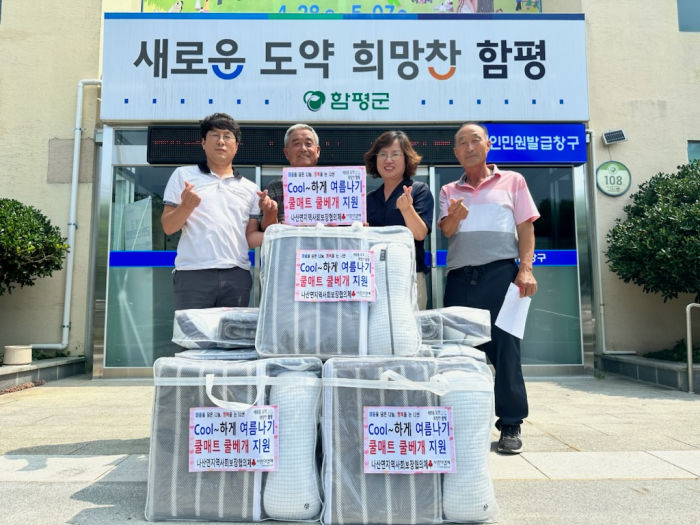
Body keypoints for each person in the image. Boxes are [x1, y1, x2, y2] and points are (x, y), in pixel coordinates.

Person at [438, 122, 539, 455]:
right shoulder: (448, 190)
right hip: (459, 278)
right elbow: (447, 232)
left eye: (475, 140)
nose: (469, 147)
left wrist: (525, 269)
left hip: (501, 275)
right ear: (455, 152)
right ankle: (463, 420)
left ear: (488, 145)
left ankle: (510, 424)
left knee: (506, 350)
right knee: (458, 353)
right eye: (462, 143)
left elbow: (526, 228)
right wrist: (455, 216)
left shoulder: (513, 181)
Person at [162, 112, 277, 310]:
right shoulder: (183, 175)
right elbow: (168, 227)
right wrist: (187, 206)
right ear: (203, 142)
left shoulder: (250, 188)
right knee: (193, 331)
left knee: (232, 331)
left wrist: (279, 225)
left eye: (227, 136)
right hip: (192, 273)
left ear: (236, 146)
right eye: (215, 135)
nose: (221, 141)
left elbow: (250, 238)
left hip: (236, 275)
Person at [364, 131, 434, 310]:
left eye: (395, 154)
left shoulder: (419, 190)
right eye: (382, 154)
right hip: (373, 279)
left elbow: (420, 233)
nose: (388, 160)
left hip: (409, 277)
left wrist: (407, 209)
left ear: (406, 158)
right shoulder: (368, 199)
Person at [262, 123, 321, 226]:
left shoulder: (334, 185)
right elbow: (266, 229)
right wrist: (270, 212)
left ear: (318, 151)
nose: (303, 149)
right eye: (296, 144)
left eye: (308, 144)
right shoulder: (275, 188)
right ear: (286, 153)